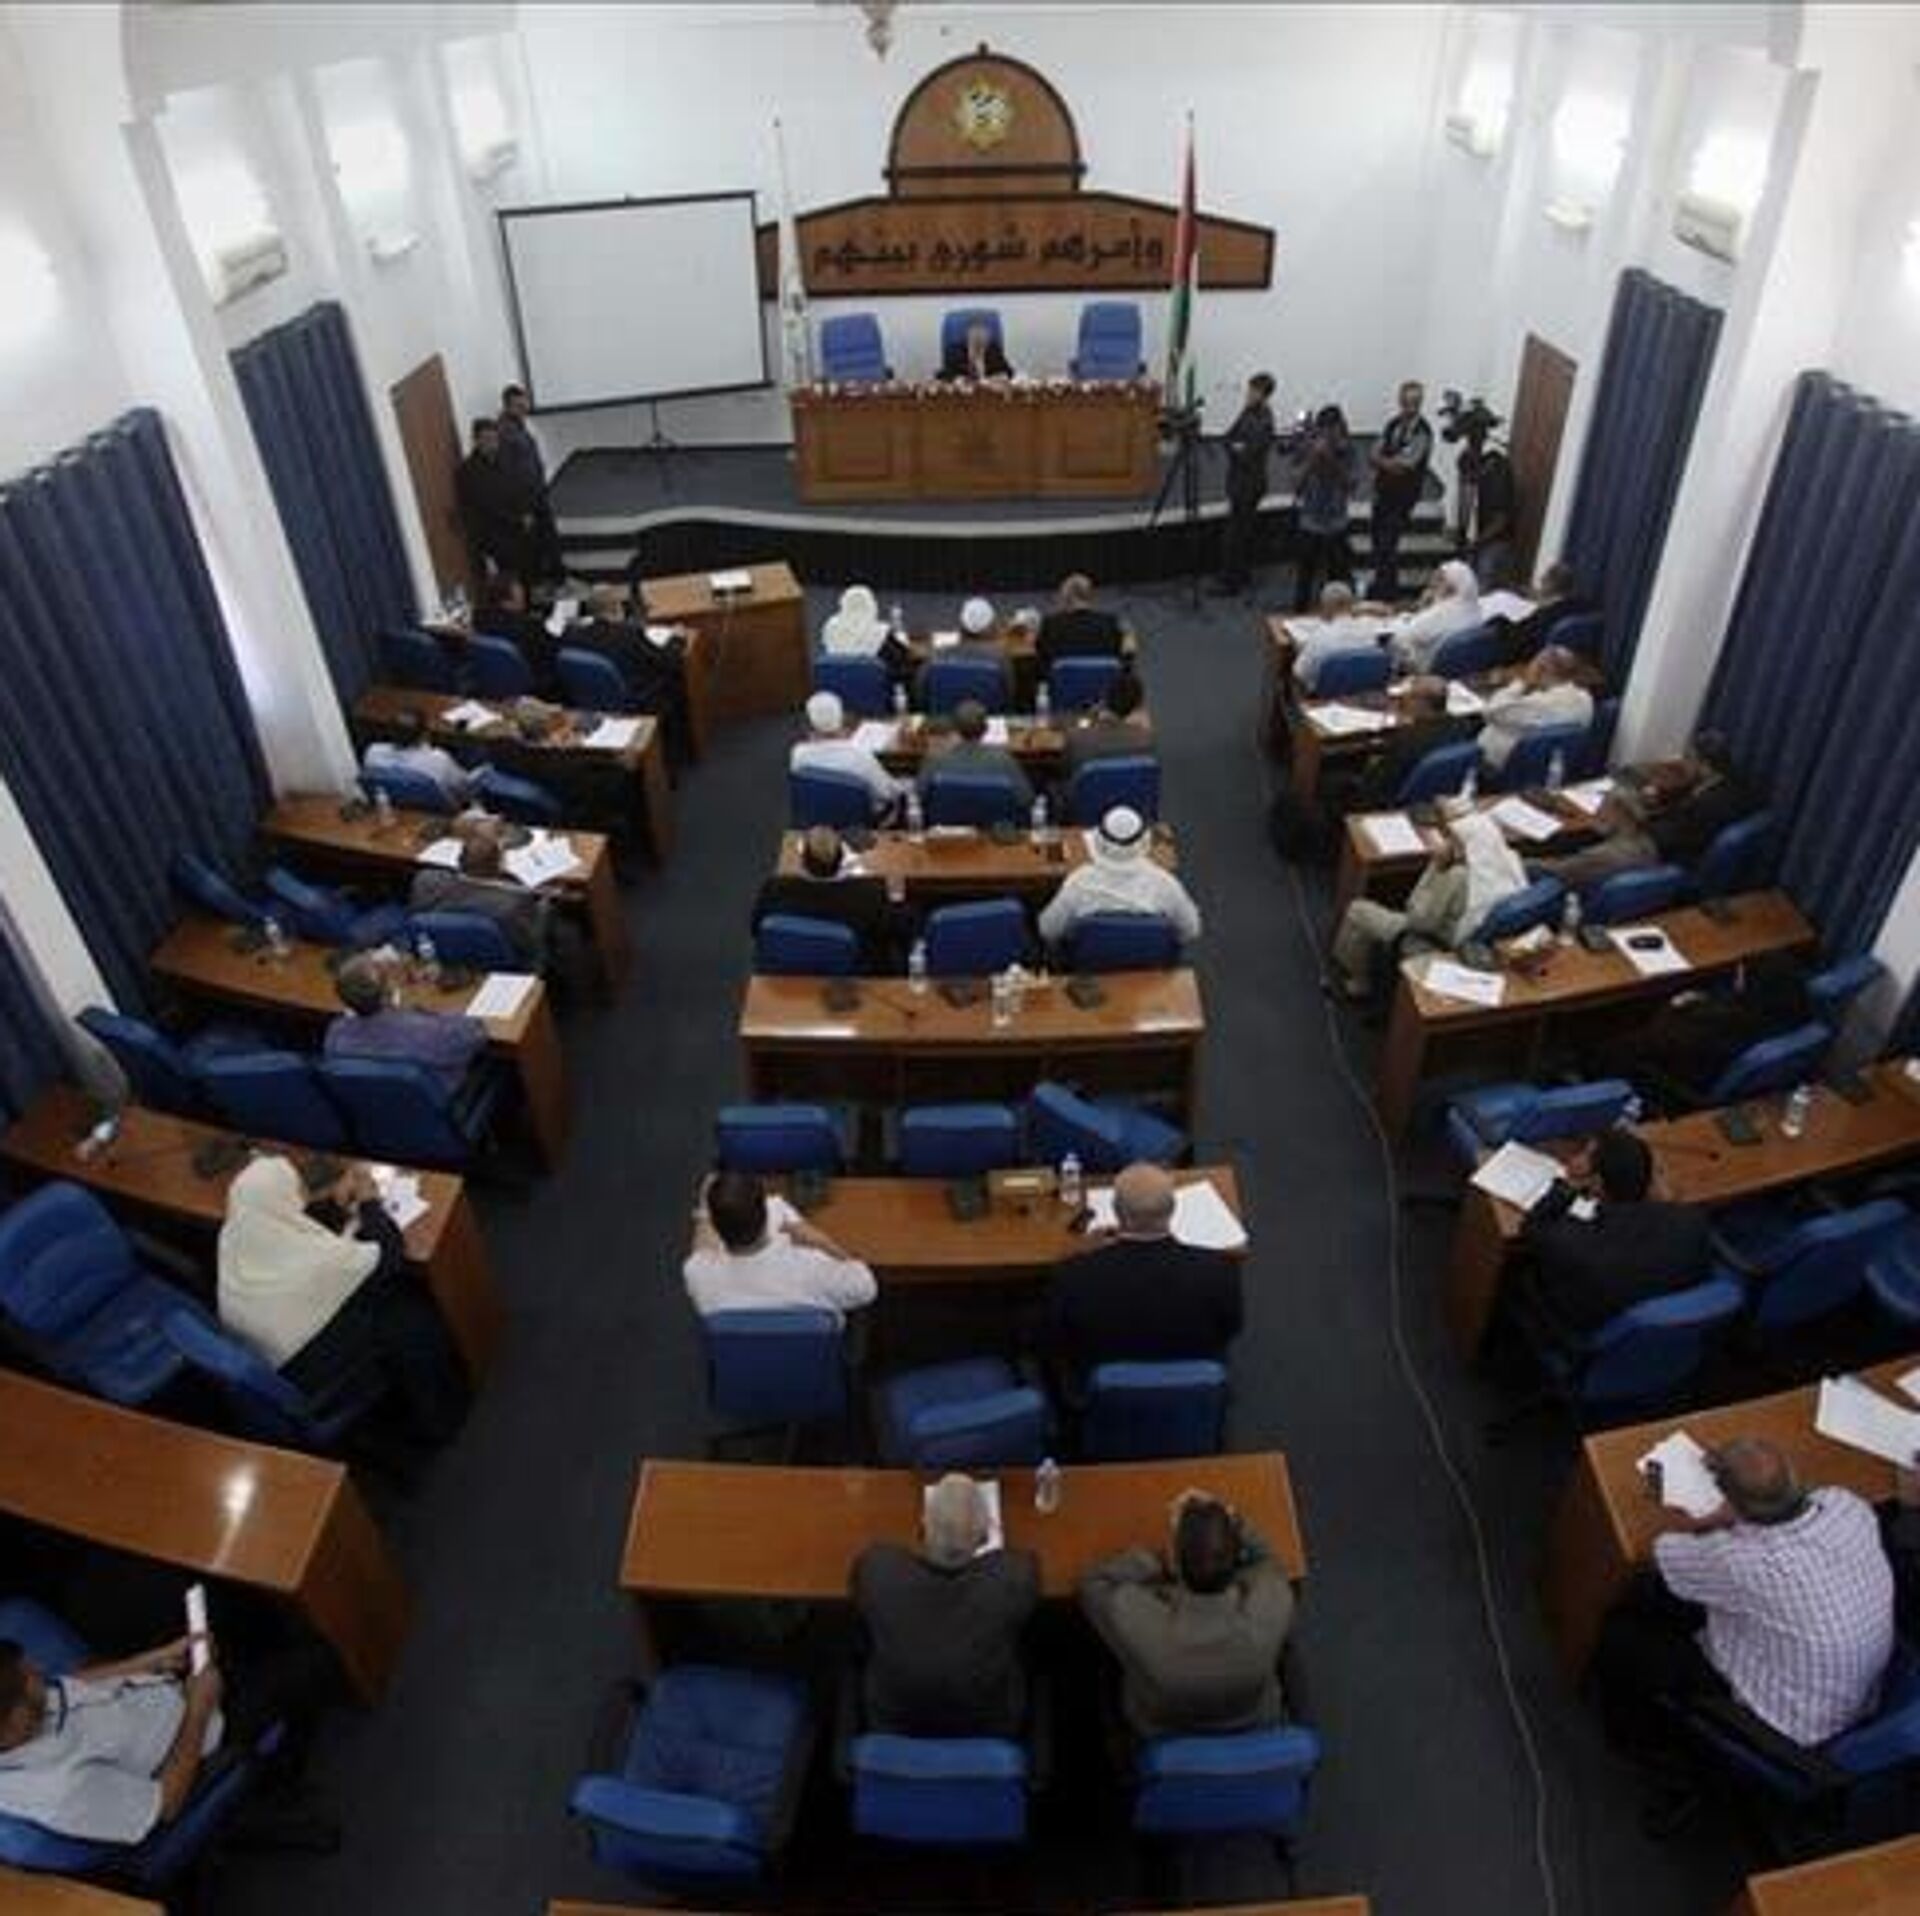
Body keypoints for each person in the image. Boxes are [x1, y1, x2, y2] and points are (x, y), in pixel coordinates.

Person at [1594, 1438, 1894, 1760]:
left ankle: (1631, 1736)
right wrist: (1738, 1511)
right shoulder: (1848, 1506)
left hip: (1790, 1726)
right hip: (1853, 1697)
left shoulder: (1746, 1563)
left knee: (1623, 1631)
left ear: (1729, 1502)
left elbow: (1658, 1553)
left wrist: (1713, 1519)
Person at [218, 1155, 466, 1443]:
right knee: (406, 1313)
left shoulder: (234, 1237)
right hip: (314, 1365)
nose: (299, 1196)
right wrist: (369, 1202)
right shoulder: (316, 1262)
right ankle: (441, 1418)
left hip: (273, 1360)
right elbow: (387, 1254)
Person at [1080, 1490, 1293, 1739]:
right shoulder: (1272, 1605)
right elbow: (1269, 1564)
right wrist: (1232, 1520)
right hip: (1253, 1723)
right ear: (1237, 1559)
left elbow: (1093, 1585)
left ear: (1176, 1564)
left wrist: (1154, 1560)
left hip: (1164, 1731)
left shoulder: (1142, 1622)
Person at [850, 1474, 1039, 1739]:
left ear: (923, 1526)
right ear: (985, 1537)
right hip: (987, 1722)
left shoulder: (879, 1571)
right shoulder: (1015, 1576)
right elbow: (1019, 1565)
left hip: (893, 1718)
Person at [1045, 1162, 1242, 1386]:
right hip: (1193, 1381)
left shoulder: (1074, 1275)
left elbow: (1059, 1338)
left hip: (1107, 1387)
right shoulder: (1218, 1269)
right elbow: (1230, 1328)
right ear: (1173, 1209)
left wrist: (1076, 1253)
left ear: (1116, 1211)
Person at [1517, 1131, 1713, 1339]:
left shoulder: (1574, 1242)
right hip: (1671, 1328)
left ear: (1596, 1183)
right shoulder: (1691, 1220)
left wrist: (1568, 1184)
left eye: (1585, 1154)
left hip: (1585, 1323)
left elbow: (1532, 1227)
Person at [1328, 811, 1526, 1001]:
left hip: (1434, 939)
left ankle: (1358, 983)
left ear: (1465, 848)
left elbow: (1419, 921)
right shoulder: (1507, 863)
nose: (1445, 842)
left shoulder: (1456, 876)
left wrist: (1435, 867)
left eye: (1452, 840)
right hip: (1470, 945)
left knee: (1358, 910)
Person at [1532, 736, 1753, 891]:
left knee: (1582, 864)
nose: (1684, 763)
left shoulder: (1711, 805)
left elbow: (1673, 835)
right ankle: (1598, 839)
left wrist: (1640, 818)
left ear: (1704, 764)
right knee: (1618, 796)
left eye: (1689, 758)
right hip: (1661, 833)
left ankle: (1538, 867)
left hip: (1658, 850)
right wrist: (1657, 795)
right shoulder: (1720, 781)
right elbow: (1687, 792)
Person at [1602, 952, 1817, 1105]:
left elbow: (1660, 1037)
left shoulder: (1716, 1025)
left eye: (1742, 976)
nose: (1737, 979)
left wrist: (1674, 1006)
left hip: (1684, 1073)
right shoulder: (1785, 1016)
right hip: (1717, 1068)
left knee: (1616, 1047)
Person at [682, 1170, 877, 1318]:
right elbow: (867, 1287)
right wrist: (823, 1242)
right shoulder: (813, 1265)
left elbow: (701, 1249)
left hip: (742, 1358)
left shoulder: (699, 1275)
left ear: (715, 1228)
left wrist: (704, 1208)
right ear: (766, 1215)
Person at [322, 952, 489, 1098]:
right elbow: (476, 1031)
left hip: (376, 1111)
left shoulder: (335, 1035)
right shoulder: (429, 1032)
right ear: (388, 993)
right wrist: (422, 1012)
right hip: (437, 1108)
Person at [751, 824, 910, 972]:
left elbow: (756, 928)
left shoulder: (775, 889)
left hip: (786, 967)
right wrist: (897, 897)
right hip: (854, 972)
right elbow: (894, 931)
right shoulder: (869, 893)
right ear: (841, 858)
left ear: (804, 861)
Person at [1038, 805, 1200, 948]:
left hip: (1088, 965)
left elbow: (1048, 930)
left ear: (1099, 843)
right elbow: (1191, 930)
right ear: (1143, 842)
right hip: (1153, 965)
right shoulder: (1166, 884)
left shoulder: (1078, 882)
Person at [409, 826, 550, 971]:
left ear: (458, 860)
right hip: (502, 965)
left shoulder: (425, 879)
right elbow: (528, 945)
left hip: (440, 955)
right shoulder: (514, 902)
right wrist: (545, 905)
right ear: (499, 867)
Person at [1341, 676, 1478, 813]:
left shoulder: (1408, 739)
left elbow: (1379, 783)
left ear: (1423, 704)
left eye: (1411, 696)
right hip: (1436, 791)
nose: (1404, 700)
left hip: (1390, 798)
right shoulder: (1461, 725)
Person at [791, 689, 906, 821]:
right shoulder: (860, 756)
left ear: (807, 725)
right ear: (841, 719)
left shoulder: (797, 754)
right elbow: (888, 793)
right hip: (862, 823)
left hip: (818, 821)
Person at [1477, 645, 1594, 775]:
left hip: (1504, 767)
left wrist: (1523, 682)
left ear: (1541, 670)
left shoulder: (1537, 704)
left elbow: (1490, 711)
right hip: (1557, 766)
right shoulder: (1586, 699)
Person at [1290, 405, 1361, 612]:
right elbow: (1296, 484)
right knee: (1304, 577)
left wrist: (1331, 461)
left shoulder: (1349, 450)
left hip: (1336, 523)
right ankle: (1300, 614)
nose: (1328, 435)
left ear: (1340, 428)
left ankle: (1336, 618)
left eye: (1333, 430)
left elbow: (1351, 485)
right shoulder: (1307, 447)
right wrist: (1312, 459)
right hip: (1310, 521)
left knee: (1336, 580)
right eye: (1324, 430)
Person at [1213, 372, 1277, 595]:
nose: (1248, 394)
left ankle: (1231, 582)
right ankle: (1239, 575)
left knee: (1236, 535)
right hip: (1238, 481)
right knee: (1238, 532)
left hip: (1251, 484)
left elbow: (1249, 454)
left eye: (1253, 391)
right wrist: (1236, 446)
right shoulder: (1247, 412)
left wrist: (1237, 447)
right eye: (1249, 390)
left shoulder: (1265, 420)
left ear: (1263, 394)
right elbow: (1228, 438)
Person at [1369, 379, 1433, 602]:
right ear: (1400, 401)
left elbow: (1403, 467)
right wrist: (1387, 462)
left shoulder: (1423, 432)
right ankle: (1381, 586)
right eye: (1407, 402)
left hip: (1403, 498)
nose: (1410, 407)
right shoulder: (1393, 424)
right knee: (1378, 544)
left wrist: (1383, 461)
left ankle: (1388, 594)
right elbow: (1372, 453)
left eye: (1415, 403)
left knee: (1388, 544)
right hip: (1382, 493)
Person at [456, 417, 541, 583]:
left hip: (521, 531)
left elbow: (521, 487)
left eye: (494, 438)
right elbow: (486, 506)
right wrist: (517, 520)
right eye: (486, 439)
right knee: (510, 583)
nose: (492, 443)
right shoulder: (468, 471)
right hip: (496, 537)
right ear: (476, 441)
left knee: (529, 576)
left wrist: (527, 512)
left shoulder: (507, 460)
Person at [496, 383, 564, 582]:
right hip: (527, 500)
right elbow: (509, 475)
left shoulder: (519, 426)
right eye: (518, 405)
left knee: (550, 541)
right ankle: (549, 583)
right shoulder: (505, 432)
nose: (524, 408)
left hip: (537, 493)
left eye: (524, 403)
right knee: (540, 545)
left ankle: (557, 580)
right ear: (507, 406)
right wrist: (522, 509)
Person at [918, 699, 1033, 810]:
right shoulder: (1004, 760)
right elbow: (1026, 799)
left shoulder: (934, 759)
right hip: (995, 823)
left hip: (945, 822)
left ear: (955, 728)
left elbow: (920, 796)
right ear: (986, 729)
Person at [362, 713, 474, 810]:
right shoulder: (438, 759)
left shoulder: (373, 752)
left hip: (394, 808)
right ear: (424, 734)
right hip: (439, 813)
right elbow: (464, 789)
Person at [1389, 559, 1482, 674]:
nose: (1432, 584)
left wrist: (1402, 619)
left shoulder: (1445, 612)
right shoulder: (1473, 609)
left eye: (1440, 579)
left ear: (1452, 586)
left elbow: (1408, 635)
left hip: (1424, 663)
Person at [1292, 583, 1388, 693]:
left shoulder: (1320, 635)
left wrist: (1300, 650)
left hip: (1326, 697)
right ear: (1352, 605)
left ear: (1326, 607)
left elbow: (1299, 673)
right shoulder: (1369, 630)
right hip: (1363, 694)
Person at [472, 572, 558, 693]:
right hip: (533, 684)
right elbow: (551, 652)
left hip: (497, 681)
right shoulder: (529, 626)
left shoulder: (479, 618)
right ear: (505, 602)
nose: (524, 598)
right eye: (520, 596)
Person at [1060, 668, 1152, 781]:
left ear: (1106, 700)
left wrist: (1091, 716)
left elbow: (1071, 730)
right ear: (1138, 706)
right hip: (1130, 790)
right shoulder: (1146, 740)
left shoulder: (1080, 736)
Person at [1036, 574, 1127, 671]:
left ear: (1065, 597)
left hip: (1064, 679)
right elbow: (1120, 656)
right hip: (1105, 679)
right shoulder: (1110, 622)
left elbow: (1043, 659)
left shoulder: (1050, 624)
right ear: (1090, 595)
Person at [820, 584, 889, 658]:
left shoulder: (881, 630)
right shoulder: (832, 626)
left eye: (861, 604)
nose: (857, 607)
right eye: (853, 603)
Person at [937, 316, 1013, 383]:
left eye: (982, 333)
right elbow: (942, 374)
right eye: (974, 333)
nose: (978, 336)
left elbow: (1009, 372)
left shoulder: (994, 351)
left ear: (988, 336)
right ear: (967, 336)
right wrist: (957, 379)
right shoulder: (955, 352)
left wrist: (999, 377)